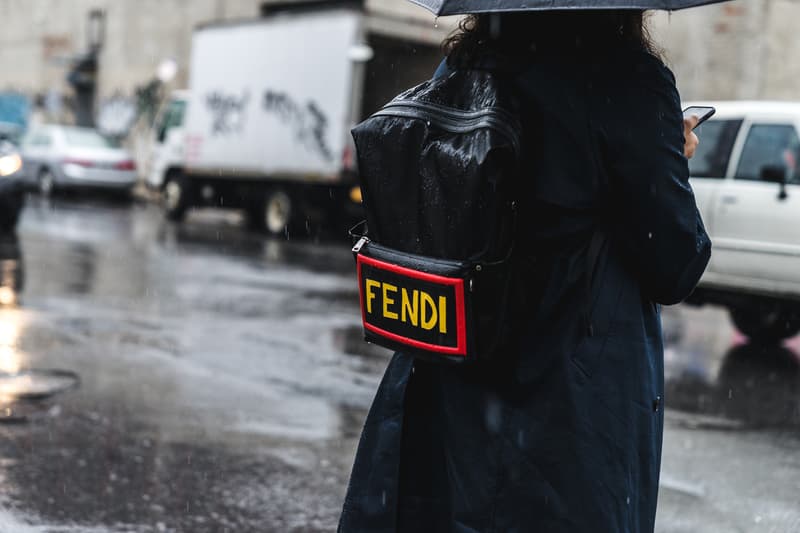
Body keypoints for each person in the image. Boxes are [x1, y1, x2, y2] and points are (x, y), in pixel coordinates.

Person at [339, 11, 711, 533]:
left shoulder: (466, 65)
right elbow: (676, 263)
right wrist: (671, 155)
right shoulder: (627, 80)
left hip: (451, 382)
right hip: (569, 399)